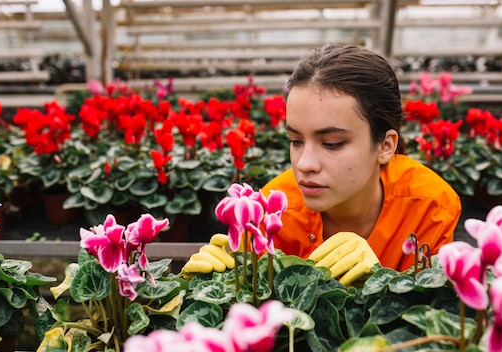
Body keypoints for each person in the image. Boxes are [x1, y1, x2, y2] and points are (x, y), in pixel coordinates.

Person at [182, 43, 462, 284]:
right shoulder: (270, 212)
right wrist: (209, 285)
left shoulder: (430, 207)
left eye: (332, 143)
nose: (304, 164)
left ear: (385, 146)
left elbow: (434, 316)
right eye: (295, 140)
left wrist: (381, 279)